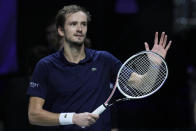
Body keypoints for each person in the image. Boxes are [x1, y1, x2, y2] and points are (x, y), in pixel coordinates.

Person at [27, 5, 172, 131]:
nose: (79, 29)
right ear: (60, 30)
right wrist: (72, 118)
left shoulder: (104, 60)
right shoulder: (45, 66)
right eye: (73, 24)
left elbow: (143, 85)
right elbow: (34, 115)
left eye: (83, 24)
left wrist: (154, 65)